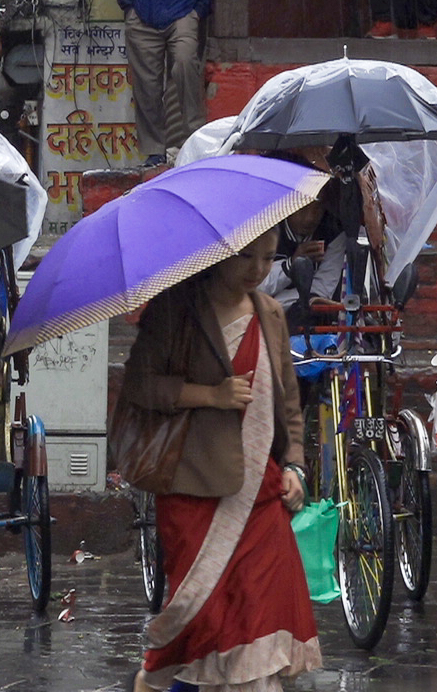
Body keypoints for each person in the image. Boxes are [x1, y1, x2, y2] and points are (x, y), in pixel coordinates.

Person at [119, 226, 321, 691]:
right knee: (203, 617)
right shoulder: (175, 311)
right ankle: (154, 679)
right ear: (219, 253)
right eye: (247, 256)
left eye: (268, 258)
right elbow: (140, 386)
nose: (258, 270)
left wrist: (294, 465)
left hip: (262, 494)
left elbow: (289, 405)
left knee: (259, 614)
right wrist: (210, 395)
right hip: (193, 488)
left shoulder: (271, 313)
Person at [118, 0, 213, 167]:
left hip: (184, 15)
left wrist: (198, 11)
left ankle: (195, 139)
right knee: (147, 86)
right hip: (142, 18)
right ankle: (154, 151)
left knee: (185, 64)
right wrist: (128, 5)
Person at [258, 189, 347, 327]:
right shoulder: (265, 227)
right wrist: (289, 266)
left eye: (318, 207)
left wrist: (278, 302)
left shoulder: (333, 232)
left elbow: (321, 289)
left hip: (302, 317)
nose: (310, 218)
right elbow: (257, 285)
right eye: (302, 207)